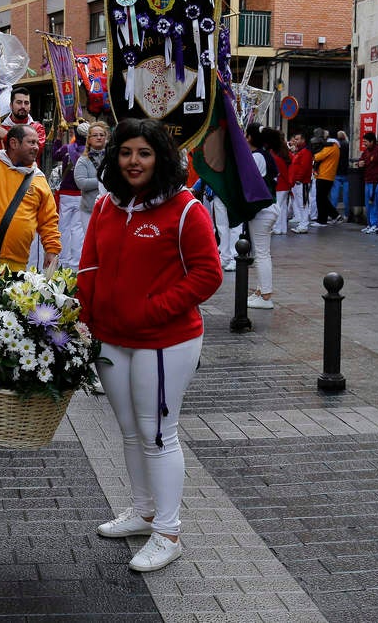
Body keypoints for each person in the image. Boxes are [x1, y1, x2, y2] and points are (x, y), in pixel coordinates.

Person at [77, 118, 223, 572]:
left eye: (143, 153)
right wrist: (83, 317)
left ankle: (168, 531)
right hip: (112, 339)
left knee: (159, 435)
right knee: (130, 431)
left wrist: (154, 309)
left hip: (165, 340)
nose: (133, 161)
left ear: (159, 157)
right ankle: (143, 513)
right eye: (125, 152)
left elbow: (208, 274)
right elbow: (89, 267)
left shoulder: (184, 209)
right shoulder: (105, 206)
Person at [0, 124, 61, 271]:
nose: (36, 147)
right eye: (31, 142)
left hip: (16, 264)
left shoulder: (39, 180)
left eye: (37, 143)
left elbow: (49, 220)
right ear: (13, 143)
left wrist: (52, 250)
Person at [245, 124, 280, 309]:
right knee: (262, 253)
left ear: (250, 137)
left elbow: (249, 182)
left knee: (261, 254)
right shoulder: (263, 155)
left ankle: (266, 296)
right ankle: (261, 291)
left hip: (263, 210)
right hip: (268, 209)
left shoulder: (258, 156)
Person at [52, 122, 87, 269]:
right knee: (77, 229)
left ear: (76, 135)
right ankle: (75, 262)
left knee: (63, 228)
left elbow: (55, 155)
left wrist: (59, 138)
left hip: (66, 194)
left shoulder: (67, 149)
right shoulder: (90, 152)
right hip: (81, 194)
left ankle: (62, 260)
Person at [0, 87, 47, 155]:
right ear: (11, 105)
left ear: (30, 106)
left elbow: (35, 151)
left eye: (26, 103)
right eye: (19, 102)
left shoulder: (37, 128)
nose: (23, 106)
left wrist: (8, 136)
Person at [73, 120, 109, 233]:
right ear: (89, 139)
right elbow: (81, 183)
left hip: (110, 209)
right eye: (95, 135)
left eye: (101, 135)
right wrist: (104, 180)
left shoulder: (113, 158)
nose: (99, 137)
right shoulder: (83, 160)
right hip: (89, 210)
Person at [262, 128, 292, 235]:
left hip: (280, 186)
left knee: (278, 208)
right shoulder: (280, 157)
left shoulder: (275, 158)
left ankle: (278, 228)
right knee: (283, 208)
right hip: (284, 186)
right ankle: (282, 228)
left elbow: (281, 173)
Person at [357, 131, 378, 234]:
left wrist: (365, 162)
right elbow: (361, 160)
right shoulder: (366, 151)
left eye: (366, 142)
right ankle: (369, 224)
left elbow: (372, 161)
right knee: (368, 204)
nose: (364, 144)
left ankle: (375, 225)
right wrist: (359, 163)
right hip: (368, 180)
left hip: (375, 181)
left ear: (372, 141)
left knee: (374, 203)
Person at [311, 131, 340, 227]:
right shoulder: (334, 147)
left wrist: (314, 155)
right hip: (327, 175)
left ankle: (323, 220)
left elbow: (318, 157)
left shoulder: (331, 146)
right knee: (322, 198)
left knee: (321, 198)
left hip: (324, 175)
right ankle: (334, 215)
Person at [288, 131, 312, 233]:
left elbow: (304, 167)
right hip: (298, 182)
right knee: (300, 204)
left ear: (303, 140)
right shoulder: (300, 152)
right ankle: (302, 224)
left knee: (303, 204)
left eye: (297, 139)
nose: (295, 141)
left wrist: (298, 179)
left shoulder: (305, 152)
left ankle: (304, 225)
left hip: (301, 182)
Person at [330, 130, 350, 221]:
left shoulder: (336, 146)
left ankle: (333, 214)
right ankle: (347, 214)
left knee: (334, 195)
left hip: (336, 172)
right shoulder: (348, 144)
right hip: (346, 172)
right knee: (347, 196)